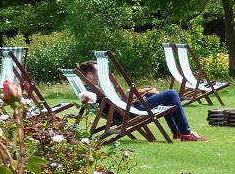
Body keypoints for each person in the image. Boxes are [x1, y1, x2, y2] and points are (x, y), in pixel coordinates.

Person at [76, 61, 206, 142]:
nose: (101, 76)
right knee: (171, 94)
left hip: (124, 110)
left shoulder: (87, 89)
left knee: (154, 94)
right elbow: (108, 103)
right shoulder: (90, 91)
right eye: (99, 73)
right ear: (89, 75)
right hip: (129, 113)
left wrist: (126, 97)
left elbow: (110, 103)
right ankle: (186, 133)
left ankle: (178, 132)